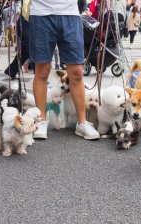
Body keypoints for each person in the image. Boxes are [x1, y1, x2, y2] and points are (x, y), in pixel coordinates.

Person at [29, 0, 100, 140]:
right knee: (42, 71)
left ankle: (82, 122)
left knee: (77, 73)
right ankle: (41, 120)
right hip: (41, 13)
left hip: (71, 14)